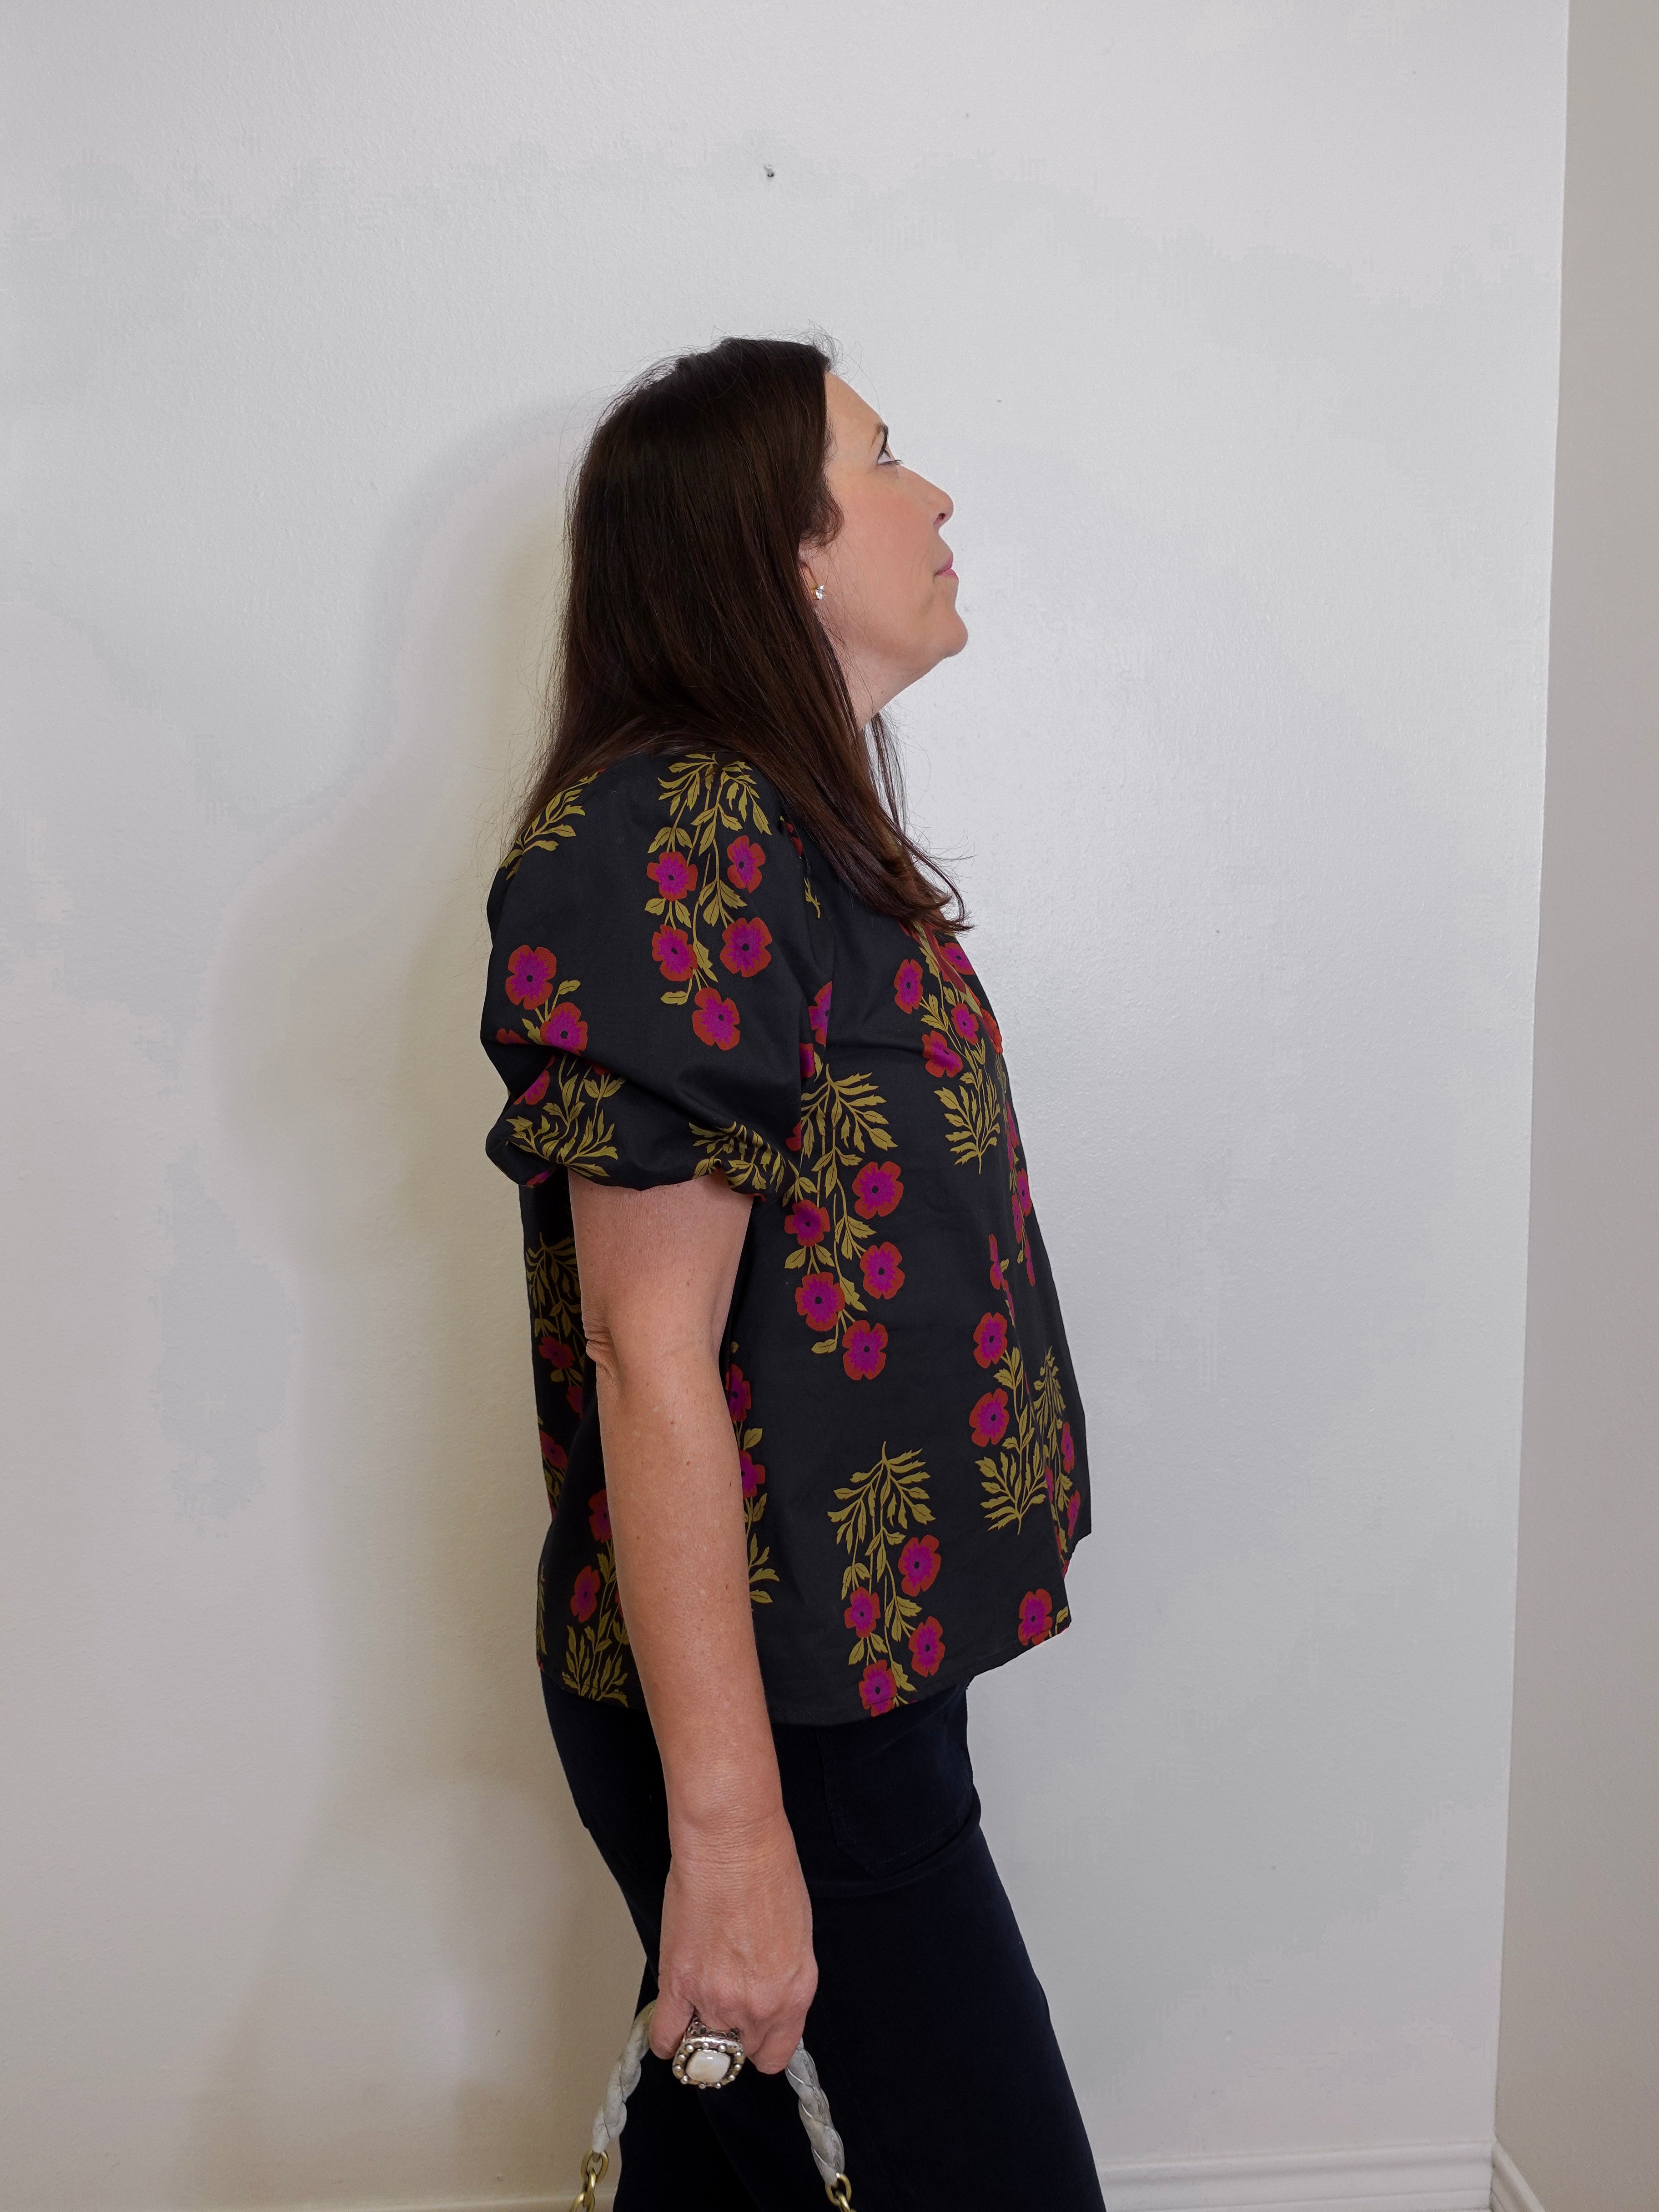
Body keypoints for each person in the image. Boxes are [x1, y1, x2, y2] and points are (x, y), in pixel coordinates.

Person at [480, 337, 1103, 2209]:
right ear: (784, 547)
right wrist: (734, 1829)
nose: (936, 497)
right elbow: (647, 1348)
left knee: (747, 2150)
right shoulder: (675, 826)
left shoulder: (787, 826)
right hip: (782, 1719)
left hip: (837, 1683)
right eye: (885, 456)